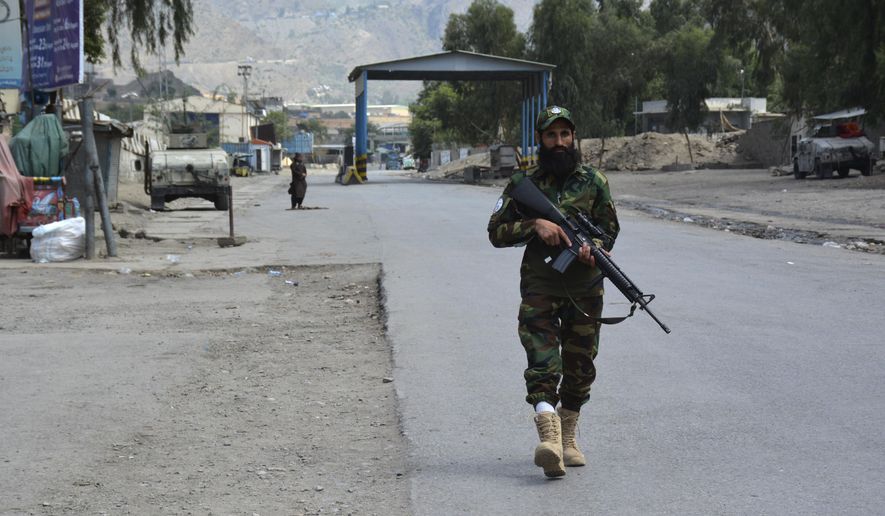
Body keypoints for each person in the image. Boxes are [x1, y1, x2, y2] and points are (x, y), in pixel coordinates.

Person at [487, 105, 620, 478]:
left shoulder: (594, 181)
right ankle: (548, 436)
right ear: (541, 140)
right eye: (551, 136)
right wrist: (535, 225)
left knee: (580, 368)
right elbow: (496, 232)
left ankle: (568, 435)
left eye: (565, 135)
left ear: (573, 138)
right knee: (543, 362)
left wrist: (592, 246)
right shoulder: (522, 184)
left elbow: (609, 231)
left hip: (585, 288)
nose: (559, 142)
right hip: (541, 286)